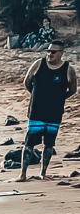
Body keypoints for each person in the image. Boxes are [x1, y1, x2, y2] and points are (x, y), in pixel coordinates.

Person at [17, 40, 77, 181]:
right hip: (36, 111)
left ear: (61, 53)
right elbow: (27, 82)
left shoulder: (68, 69)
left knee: (49, 144)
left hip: (54, 113)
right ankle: (23, 174)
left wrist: (60, 98)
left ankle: (43, 173)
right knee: (29, 143)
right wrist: (36, 95)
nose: (50, 54)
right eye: (48, 51)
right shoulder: (39, 64)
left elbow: (73, 90)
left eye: (53, 52)